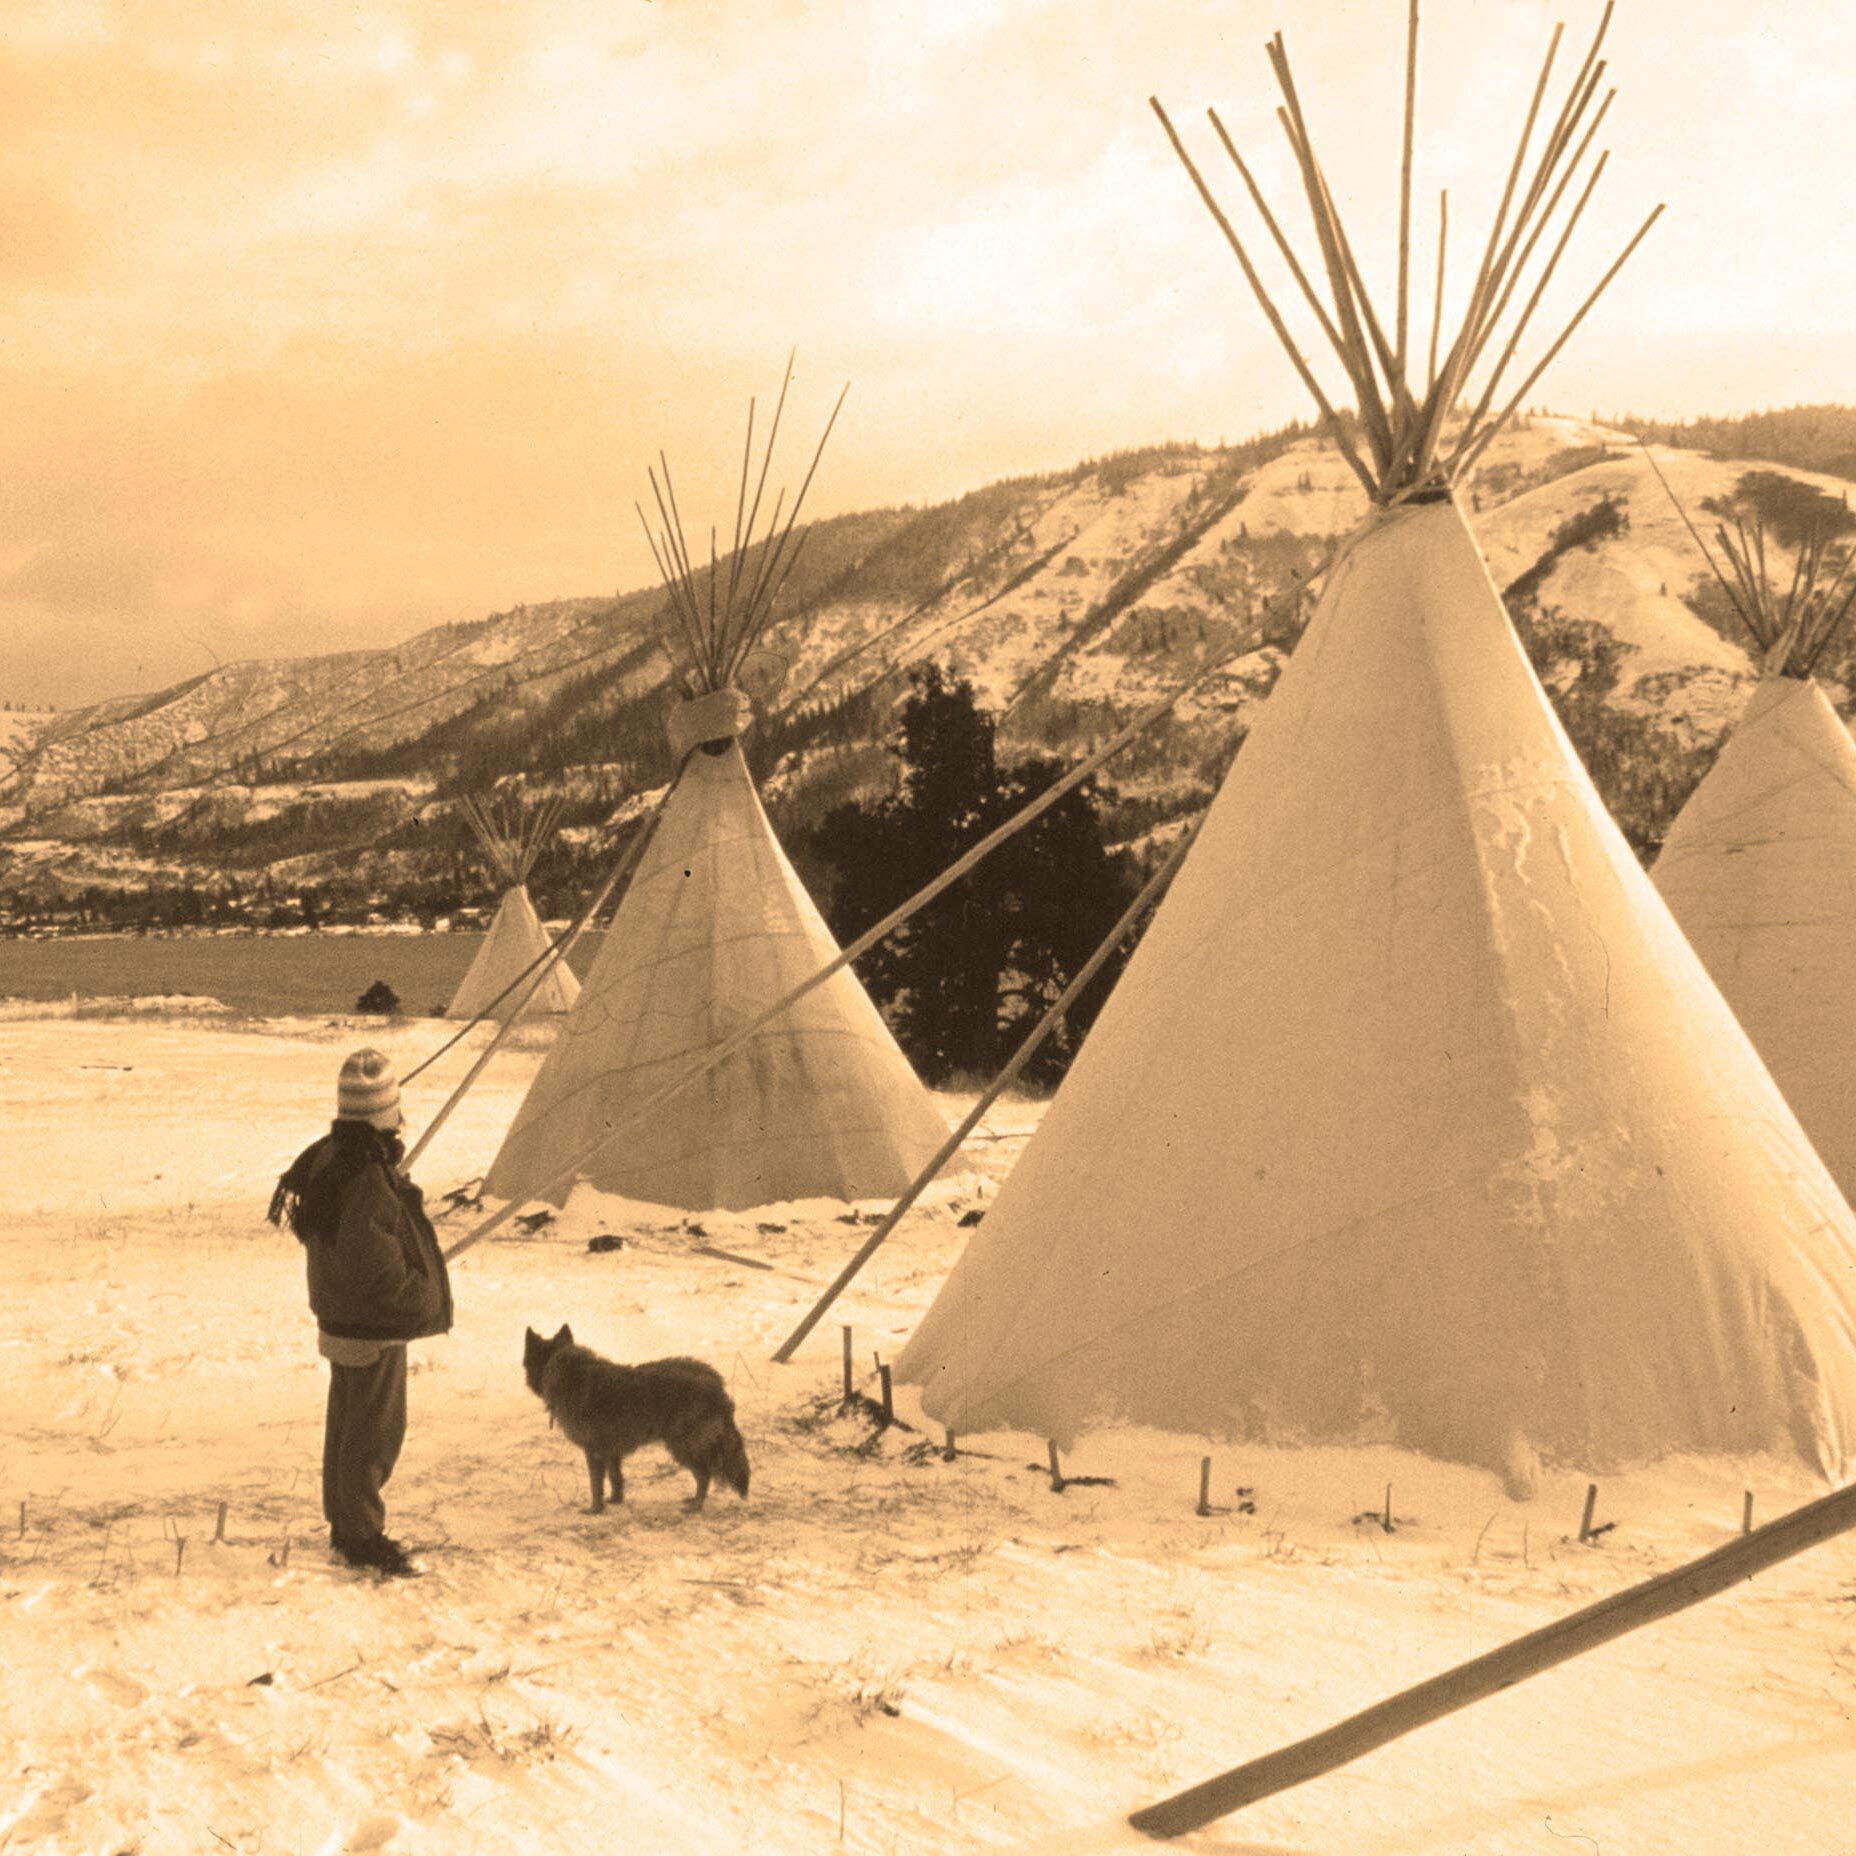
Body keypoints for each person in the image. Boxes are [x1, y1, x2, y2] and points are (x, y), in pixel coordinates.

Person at [269, 1049, 453, 1577]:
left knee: (348, 1428)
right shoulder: (368, 1173)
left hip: (341, 1314)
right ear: (384, 1112)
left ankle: (347, 1524)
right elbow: (374, 1263)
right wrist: (420, 1294)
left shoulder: (329, 1156)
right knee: (374, 1434)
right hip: (372, 1322)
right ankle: (362, 1535)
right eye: (395, 1107)